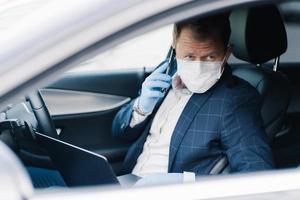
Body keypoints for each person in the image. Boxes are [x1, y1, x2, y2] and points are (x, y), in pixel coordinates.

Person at [112, 13, 274, 184]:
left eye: (210, 57)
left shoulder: (236, 98)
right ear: (175, 47)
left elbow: (257, 173)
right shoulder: (165, 71)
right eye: (189, 57)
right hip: (126, 182)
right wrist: (140, 108)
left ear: (227, 54)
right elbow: (119, 133)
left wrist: (185, 182)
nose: (197, 67)